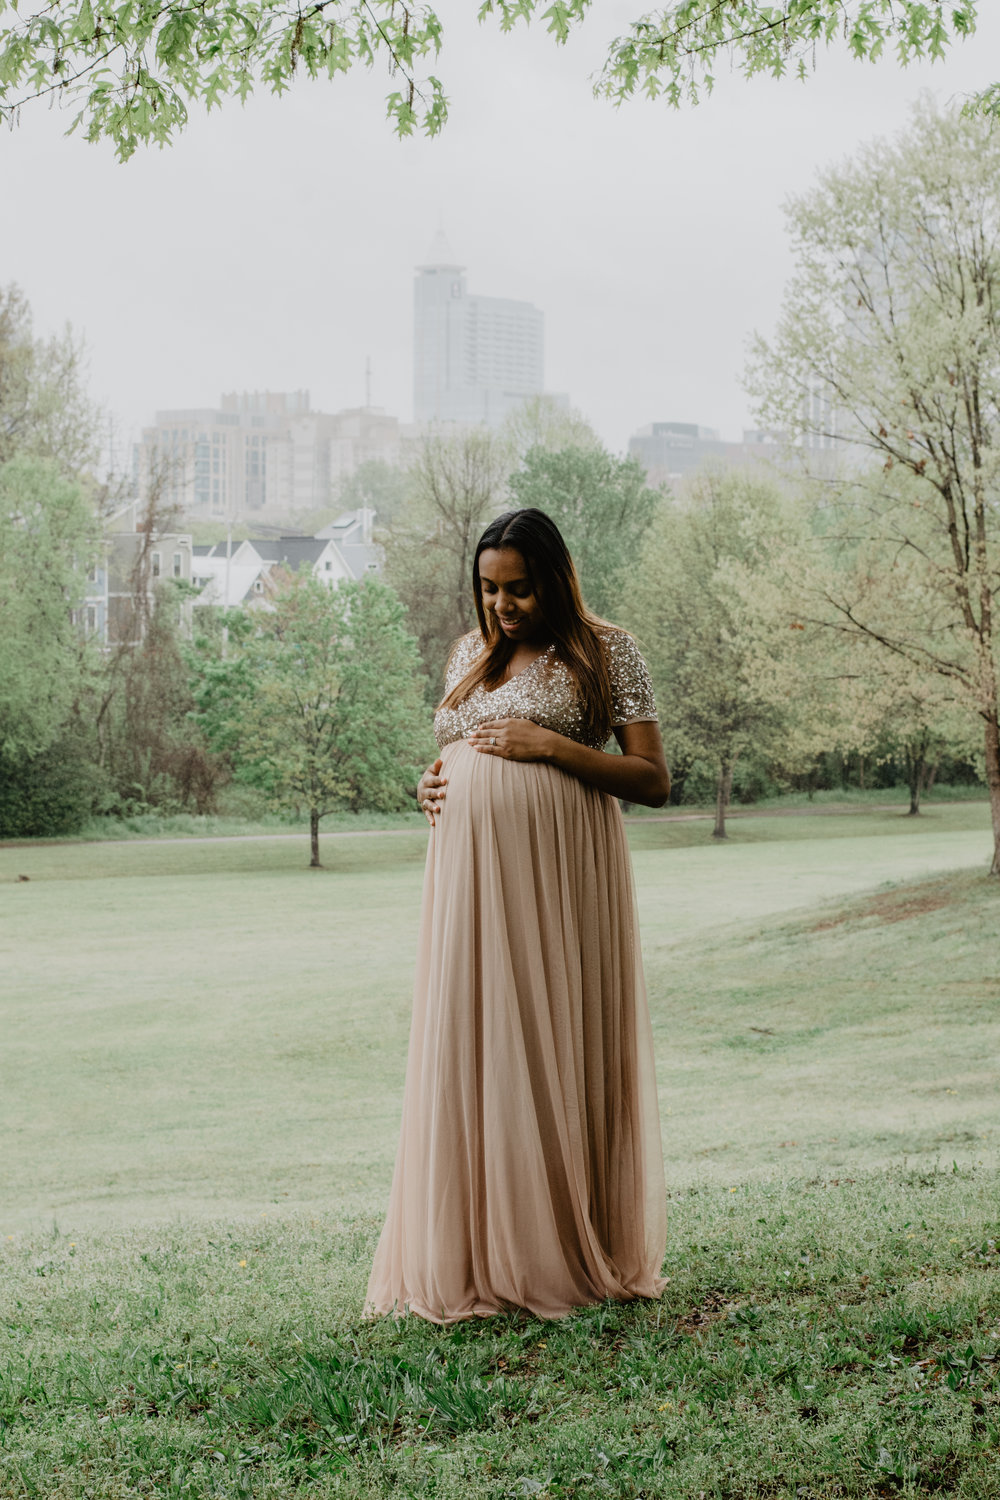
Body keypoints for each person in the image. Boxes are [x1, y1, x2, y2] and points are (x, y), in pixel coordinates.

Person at [366, 507, 669, 1323]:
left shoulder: (607, 651)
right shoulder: (470, 653)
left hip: (560, 879)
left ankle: (555, 1248)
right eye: (490, 589)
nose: (502, 605)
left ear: (555, 579)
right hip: (466, 883)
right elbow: (456, 750)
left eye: (520, 589)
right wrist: (428, 784)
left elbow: (652, 778)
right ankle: (471, 1253)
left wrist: (554, 748)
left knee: (545, 1042)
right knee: (473, 1042)